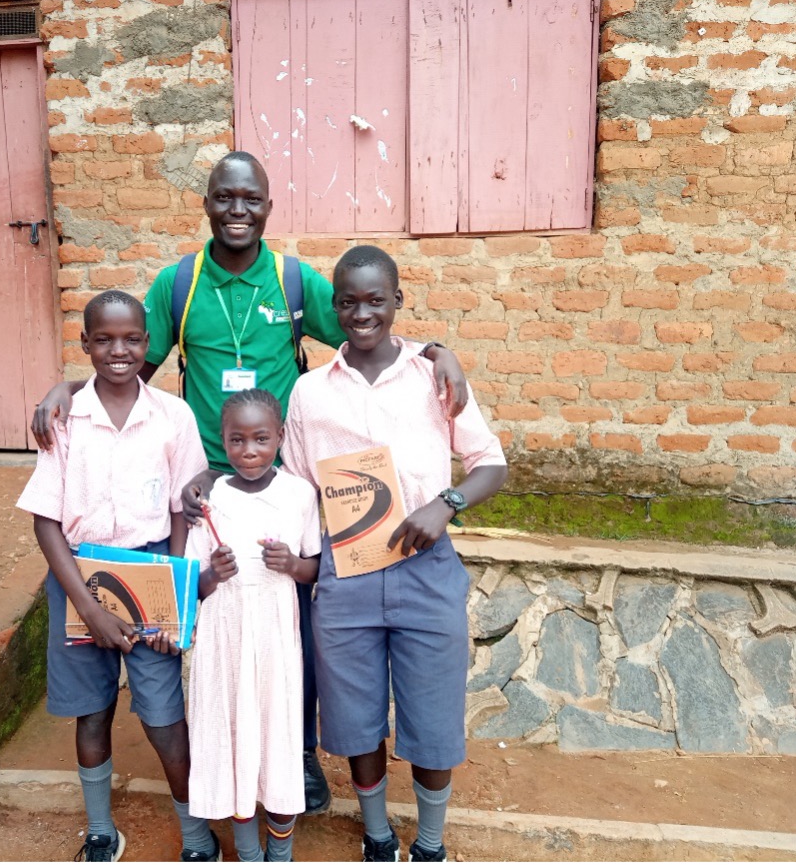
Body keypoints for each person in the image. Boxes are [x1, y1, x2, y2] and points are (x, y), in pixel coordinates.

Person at [32, 151, 470, 815]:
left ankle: (294, 754)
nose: (237, 211)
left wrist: (438, 351)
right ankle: (226, 749)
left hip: (282, 481)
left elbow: (367, 325)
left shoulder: (292, 281)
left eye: (251, 199)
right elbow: (125, 370)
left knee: (293, 618)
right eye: (224, 197)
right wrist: (66, 389)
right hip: (206, 490)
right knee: (217, 619)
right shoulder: (179, 285)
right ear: (207, 202)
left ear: (268, 206)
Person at [281, 246, 509, 862]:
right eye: (348, 302)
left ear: (398, 302)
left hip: (425, 569)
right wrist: (306, 564)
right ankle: (377, 836)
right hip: (347, 571)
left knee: (433, 717)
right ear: (334, 308)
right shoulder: (309, 393)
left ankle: (430, 844)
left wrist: (446, 504)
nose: (362, 313)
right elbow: (298, 487)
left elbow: (491, 463)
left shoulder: (433, 377)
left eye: (376, 300)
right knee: (355, 716)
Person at [16, 291, 221, 862]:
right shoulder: (65, 420)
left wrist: (175, 595)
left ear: (148, 344)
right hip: (79, 575)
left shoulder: (173, 416)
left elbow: (182, 509)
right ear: (84, 344)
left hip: (150, 570)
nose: (118, 351)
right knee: (92, 710)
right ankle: (101, 830)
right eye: (103, 340)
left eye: (131, 339)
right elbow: (46, 521)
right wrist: (89, 608)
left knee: (164, 715)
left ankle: (196, 834)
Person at [184, 388, 321, 862]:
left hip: (275, 636)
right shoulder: (208, 501)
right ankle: (246, 851)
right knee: (231, 739)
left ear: (280, 437)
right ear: (221, 441)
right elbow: (192, 584)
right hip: (223, 636)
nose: (249, 451)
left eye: (261, 439)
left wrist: (292, 565)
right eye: (237, 440)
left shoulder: (299, 494)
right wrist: (211, 575)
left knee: (276, 735)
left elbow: (316, 568)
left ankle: (279, 852)